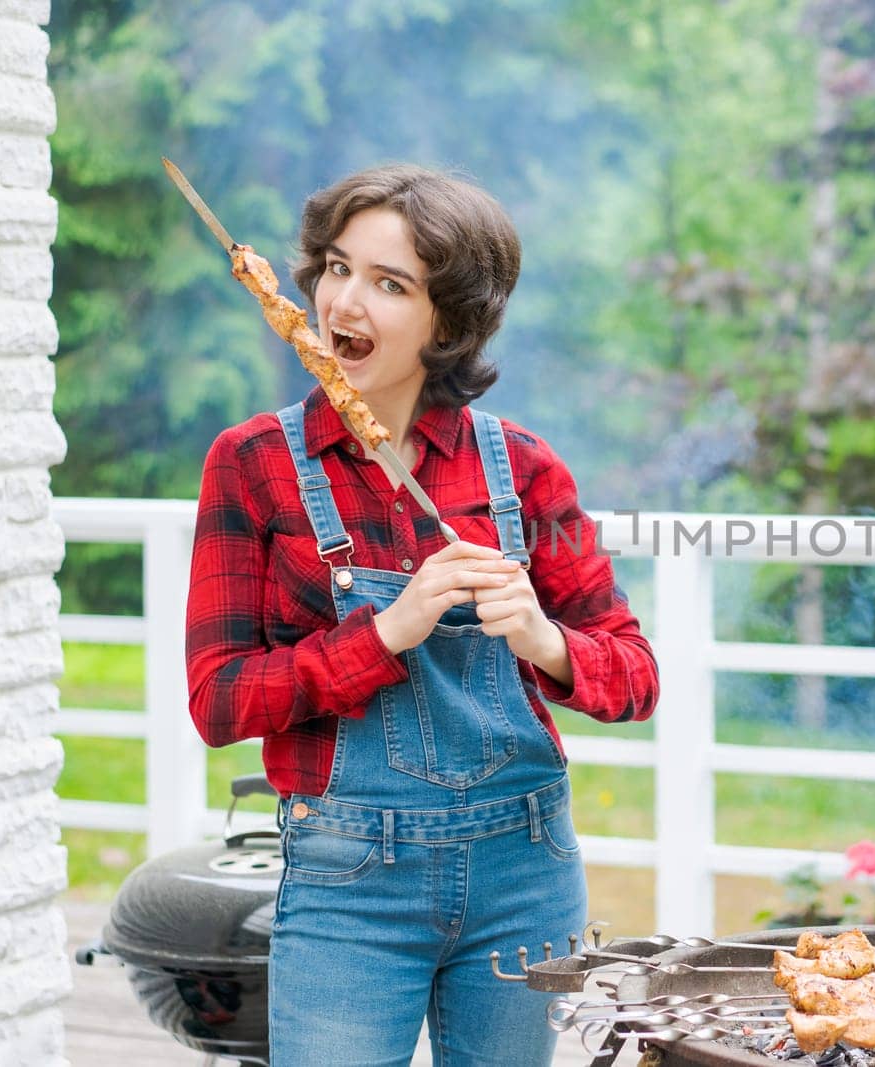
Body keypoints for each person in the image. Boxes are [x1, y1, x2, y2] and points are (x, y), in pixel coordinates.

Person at [184, 164, 660, 1066]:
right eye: (334, 267)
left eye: (389, 283)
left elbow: (635, 677)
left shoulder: (520, 468)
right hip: (347, 883)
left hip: (527, 875)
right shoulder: (251, 464)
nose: (341, 301)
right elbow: (219, 702)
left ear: (451, 319)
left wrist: (540, 636)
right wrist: (383, 633)